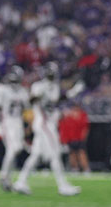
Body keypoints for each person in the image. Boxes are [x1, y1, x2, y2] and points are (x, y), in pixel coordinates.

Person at [12, 63, 83, 196]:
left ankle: (20, 182)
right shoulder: (39, 86)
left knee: (35, 156)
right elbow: (31, 100)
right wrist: (39, 96)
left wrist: (73, 92)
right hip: (44, 123)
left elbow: (56, 100)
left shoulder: (54, 87)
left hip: (48, 122)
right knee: (55, 153)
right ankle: (63, 186)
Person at [0, 66, 29, 190]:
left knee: (16, 150)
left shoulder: (23, 91)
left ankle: (8, 179)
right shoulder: (2, 89)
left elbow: (26, 108)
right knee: (12, 149)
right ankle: (3, 177)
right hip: (7, 121)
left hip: (18, 122)